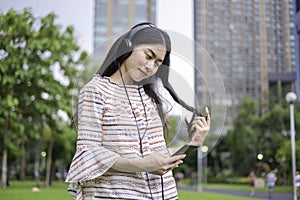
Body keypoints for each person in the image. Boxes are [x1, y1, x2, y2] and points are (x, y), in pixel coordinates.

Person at [65, 22, 210, 200]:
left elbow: (158, 158)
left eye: (158, 63)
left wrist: (193, 143)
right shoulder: (95, 90)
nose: (151, 67)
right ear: (128, 46)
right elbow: (89, 153)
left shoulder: (149, 98)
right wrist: (143, 165)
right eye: (148, 56)